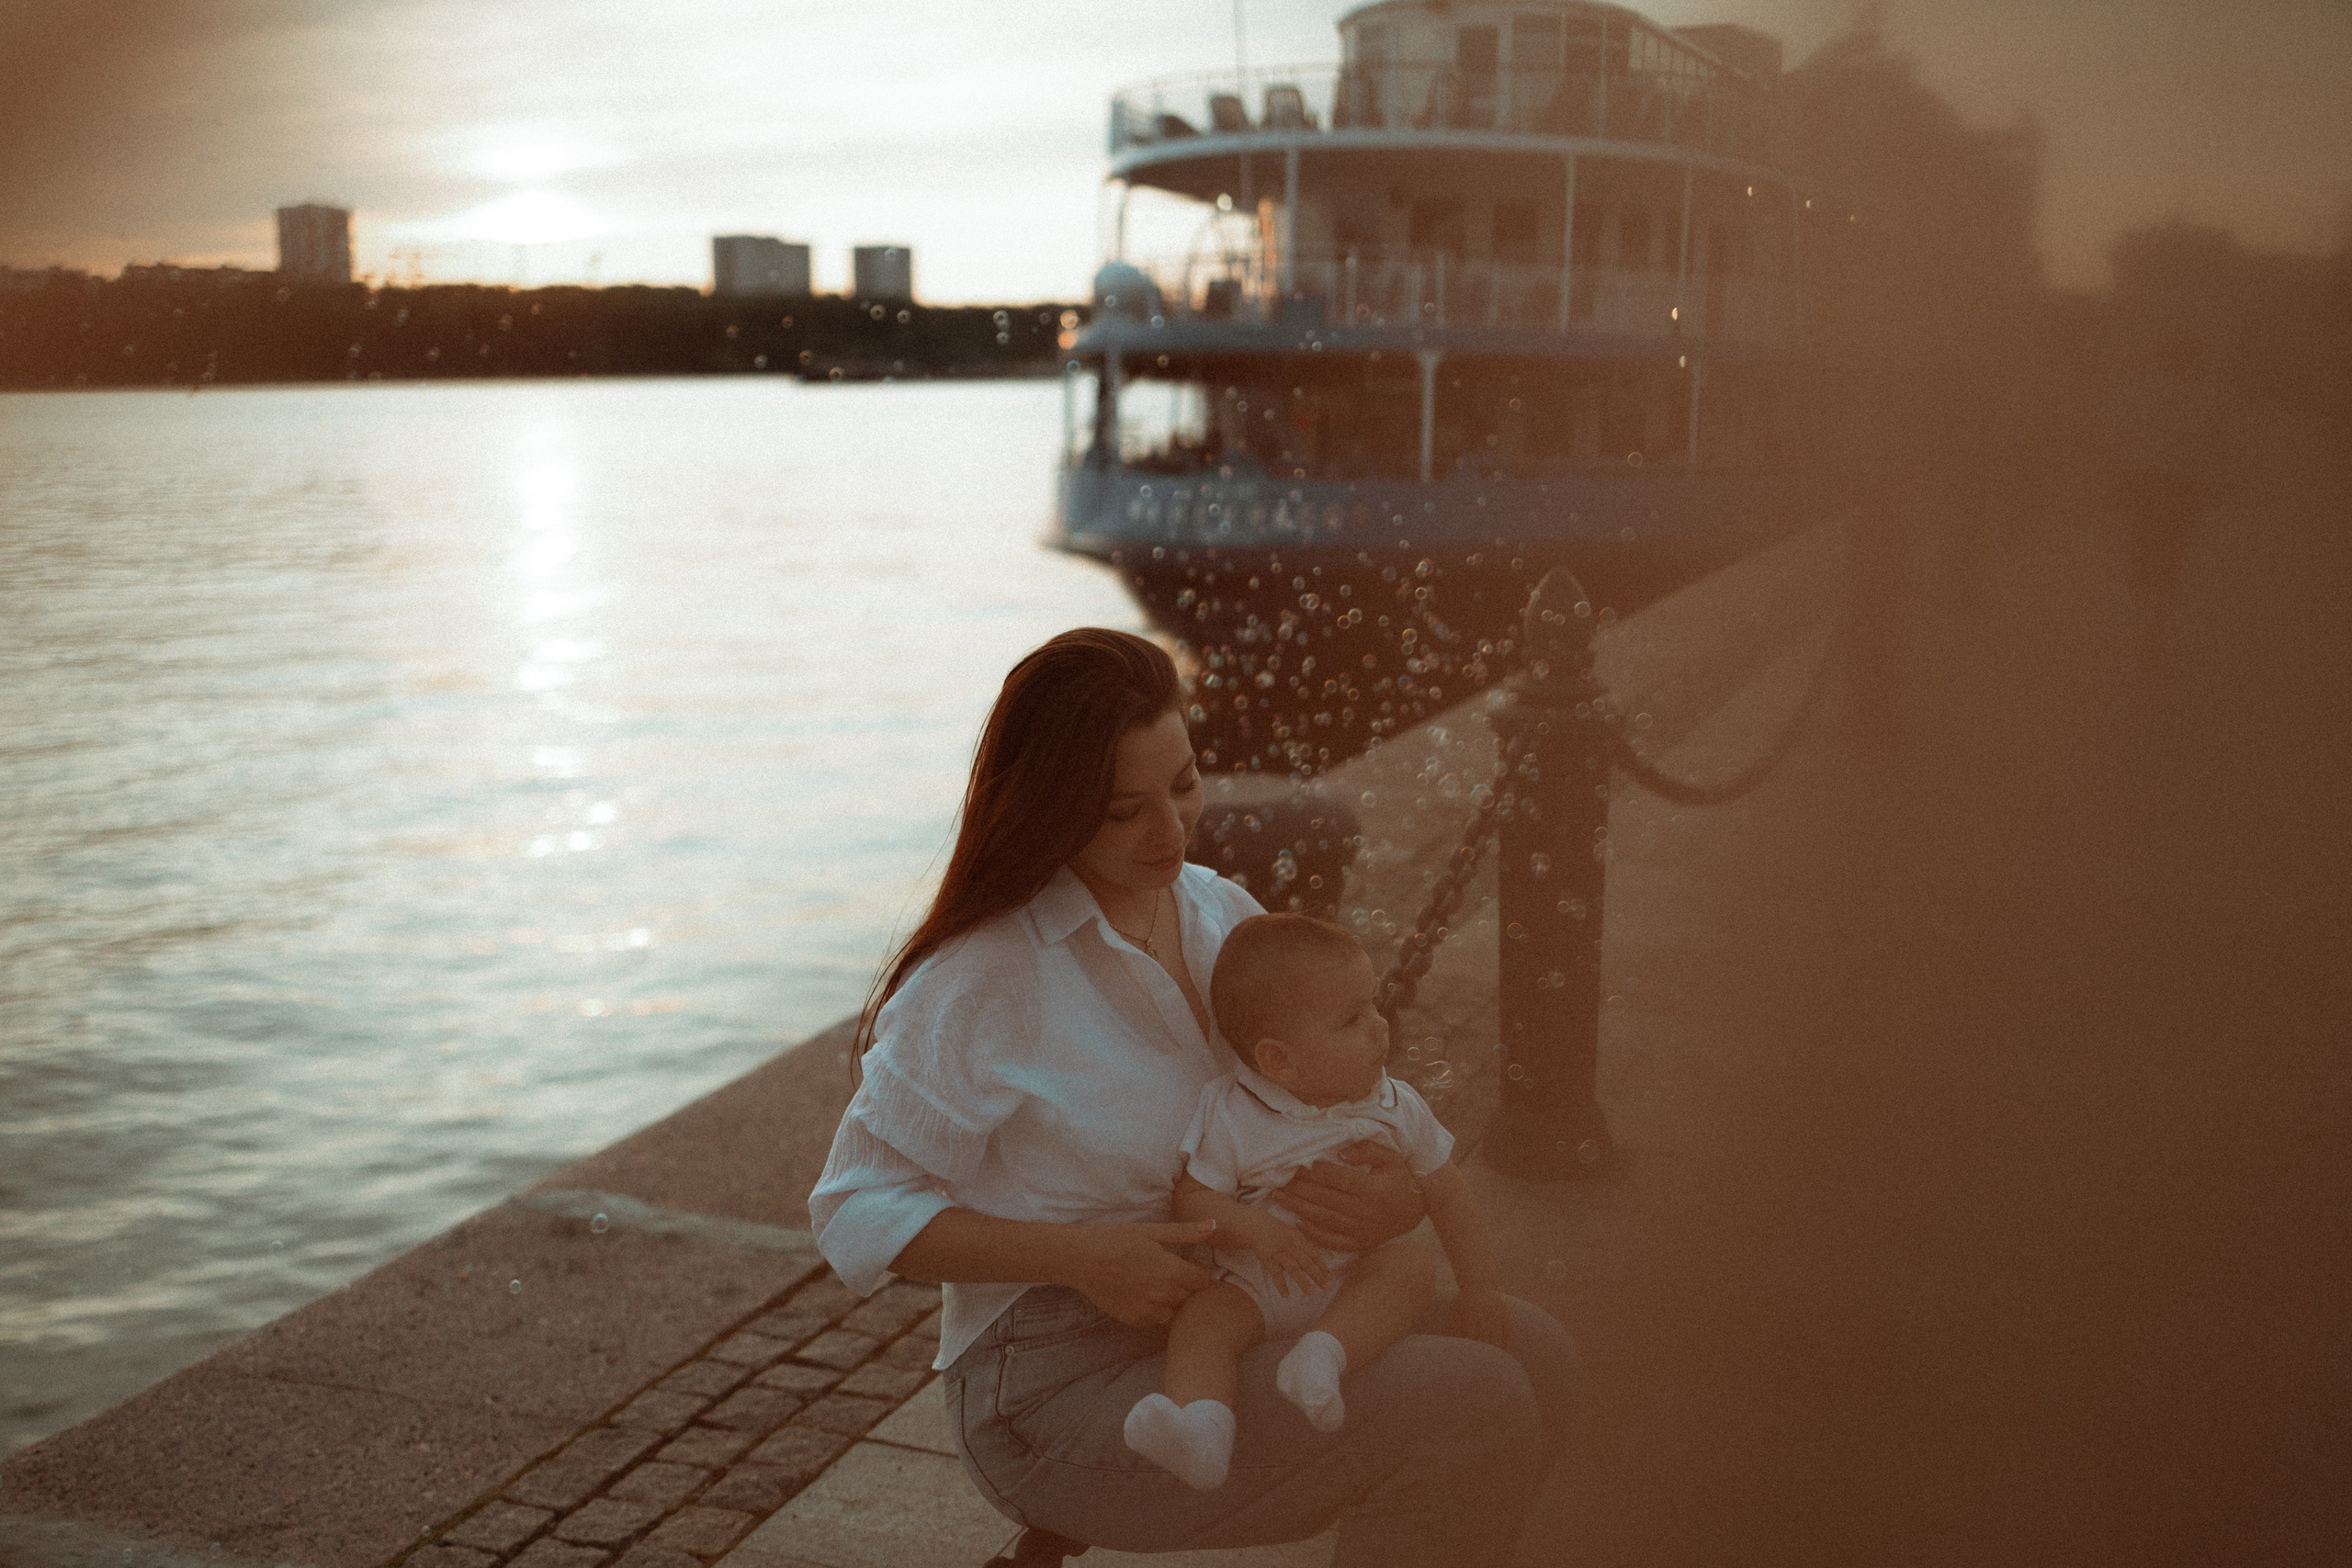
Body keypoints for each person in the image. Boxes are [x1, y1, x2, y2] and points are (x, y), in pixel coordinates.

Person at [808, 627, 1577, 1567]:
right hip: (1046, 1385)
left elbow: (1325, 1094)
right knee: (1469, 1404)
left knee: (1535, 1352)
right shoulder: (983, 976)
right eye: (1124, 810)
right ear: (1053, 810)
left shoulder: (1222, 915)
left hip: (1240, 1304)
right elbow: (854, 1211)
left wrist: (1392, 1199)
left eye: (1183, 784)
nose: (1171, 831)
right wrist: (1085, 1260)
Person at [1125, 913, 1513, 1493]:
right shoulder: (1233, 1114)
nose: (1380, 1028)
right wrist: (1257, 1232)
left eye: (1374, 1005)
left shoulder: (1393, 1106)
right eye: (1351, 1020)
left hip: (1354, 1278)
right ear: (1280, 1061)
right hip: (1257, 1289)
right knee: (1203, 1321)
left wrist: (1481, 1288)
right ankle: (1203, 1430)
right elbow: (1194, 1200)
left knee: (1409, 1268)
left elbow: (1449, 1195)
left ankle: (1324, 1356)